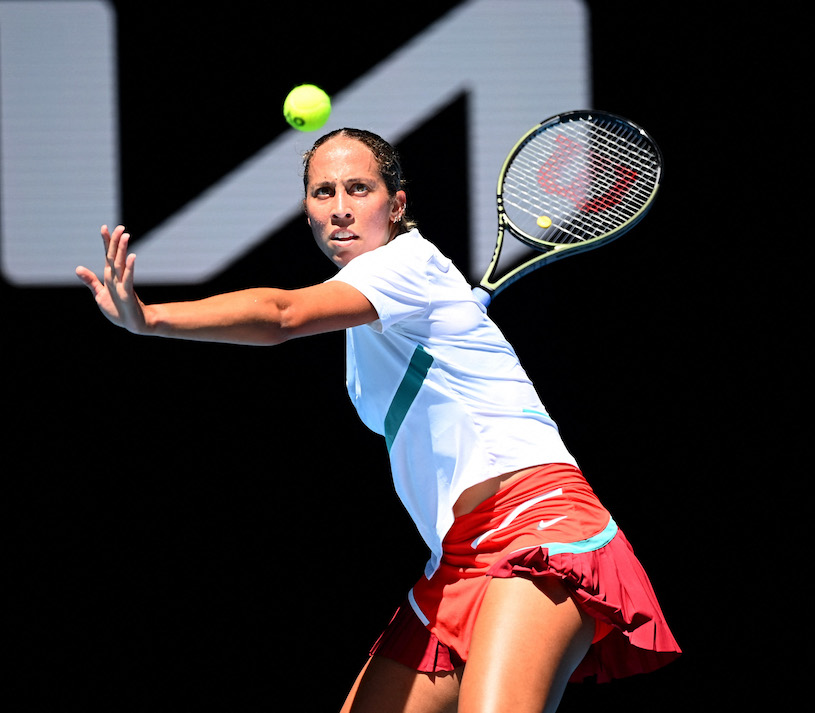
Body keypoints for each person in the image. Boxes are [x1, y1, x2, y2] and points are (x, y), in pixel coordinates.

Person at [76, 127, 681, 713]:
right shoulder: (382, 305)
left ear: (397, 205)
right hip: (459, 554)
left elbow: (282, 314)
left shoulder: (406, 265)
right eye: (324, 192)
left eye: (358, 189)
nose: (340, 207)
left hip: (534, 523)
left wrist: (149, 318)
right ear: (308, 211)